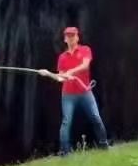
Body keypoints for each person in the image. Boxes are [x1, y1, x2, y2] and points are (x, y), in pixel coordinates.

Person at [41, 26, 109, 156]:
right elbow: (60, 78)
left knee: (96, 117)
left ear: (77, 37)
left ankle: (103, 144)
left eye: (73, 36)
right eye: (68, 36)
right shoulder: (62, 57)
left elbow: (85, 65)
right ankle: (65, 152)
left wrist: (71, 72)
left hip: (85, 93)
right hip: (68, 95)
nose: (71, 39)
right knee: (66, 122)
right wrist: (48, 73)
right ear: (65, 39)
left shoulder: (85, 50)